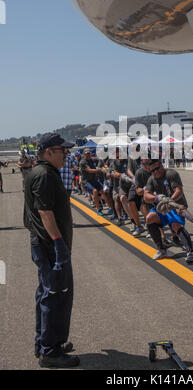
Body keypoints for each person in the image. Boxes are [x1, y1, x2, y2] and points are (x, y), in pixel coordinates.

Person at [23, 132, 80, 368]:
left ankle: (47, 342)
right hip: (49, 246)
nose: (66, 155)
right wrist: (58, 243)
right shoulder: (45, 174)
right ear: (49, 152)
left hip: (46, 244)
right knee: (56, 296)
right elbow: (45, 212)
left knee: (47, 294)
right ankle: (50, 351)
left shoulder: (43, 172)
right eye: (62, 151)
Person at [144, 159, 193, 263]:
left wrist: (170, 201)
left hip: (176, 205)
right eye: (152, 170)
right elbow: (146, 195)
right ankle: (162, 250)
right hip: (163, 206)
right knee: (149, 218)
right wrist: (156, 198)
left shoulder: (171, 174)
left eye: (157, 168)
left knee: (175, 224)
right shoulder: (151, 179)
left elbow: (179, 191)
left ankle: (191, 252)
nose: (156, 171)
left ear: (162, 166)